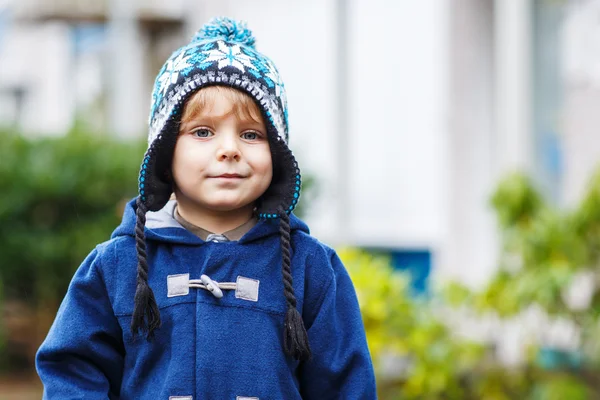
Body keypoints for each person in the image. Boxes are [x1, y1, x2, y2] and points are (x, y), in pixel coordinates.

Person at [36, 17, 376, 399]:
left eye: (251, 134)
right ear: (166, 151)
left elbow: (346, 386)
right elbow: (73, 374)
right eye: (202, 132)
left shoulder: (311, 268)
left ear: (276, 153)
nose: (229, 149)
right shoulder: (116, 267)